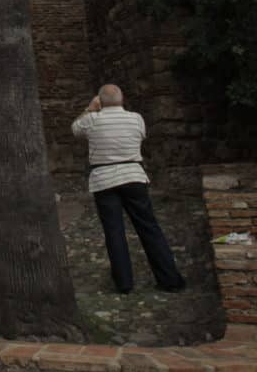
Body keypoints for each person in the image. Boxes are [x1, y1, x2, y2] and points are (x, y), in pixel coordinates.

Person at [71, 84, 186, 294]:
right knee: (149, 228)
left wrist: (89, 108)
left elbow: (75, 129)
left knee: (114, 232)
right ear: (122, 100)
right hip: (133, 175)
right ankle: (170, 279)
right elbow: (141, 136)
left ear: (100, 101)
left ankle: (124, 283)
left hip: (104, 180)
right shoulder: (136, 119)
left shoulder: (92, 120)